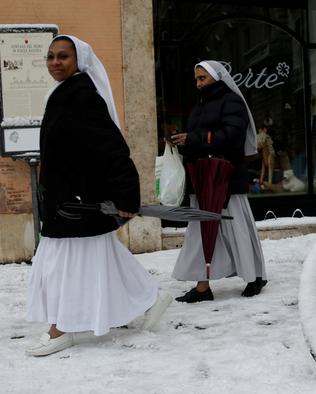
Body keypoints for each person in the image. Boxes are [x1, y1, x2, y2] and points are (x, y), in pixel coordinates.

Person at [25, 35, 172, 357]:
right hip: (68, 199)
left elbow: (112, 149)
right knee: (101, 256)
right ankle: (148, 297)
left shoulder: (81, 96)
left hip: (78, 200)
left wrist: (126, 197)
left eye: (63, 56)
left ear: (79, 60)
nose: (55, 62)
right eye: (50, 56)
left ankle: (60, 328)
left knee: (61, 265)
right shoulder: (65, 93)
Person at [170, 60, 267, 302]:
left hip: (226, 177)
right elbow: (201, 138)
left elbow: (232, 137)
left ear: (216, 77)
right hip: (202, 176)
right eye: (196, 79)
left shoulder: (232, 102)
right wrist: (184, 142)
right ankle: (202, 287)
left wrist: (193, 138)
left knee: (237, 228)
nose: (198, 83)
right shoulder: (201, 104)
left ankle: (255, 276)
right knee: (199, 231)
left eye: (202, 78)